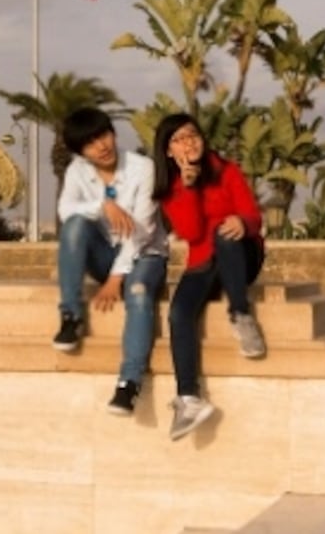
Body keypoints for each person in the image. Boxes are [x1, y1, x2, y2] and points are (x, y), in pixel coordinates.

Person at [151, 113, 266, 441]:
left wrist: (243, 224)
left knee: (223, 233)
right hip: (203, 263)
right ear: (169, 152)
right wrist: (187, 188)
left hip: (243, 254)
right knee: (178, 313)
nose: (189, 142)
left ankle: (241, 315)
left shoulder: (226, 170)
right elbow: (190, 231)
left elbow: (253, 215)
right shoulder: (171, 188)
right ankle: (189, 398)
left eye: (192, 135)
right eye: (179, 139)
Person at [54, 107, 170, 416]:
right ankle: (71, 317)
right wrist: (103, 205)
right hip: (105, 253)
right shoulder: (77, 171)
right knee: (76, 225)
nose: (101, 146)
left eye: (103, 135)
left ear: (113, 133)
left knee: (139, 292)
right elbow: (66, 212)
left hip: (145, 254)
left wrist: (117, 279)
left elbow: (142, 231)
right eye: (90, 143)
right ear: (81, 151)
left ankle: (129, 383)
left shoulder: (143, 168)